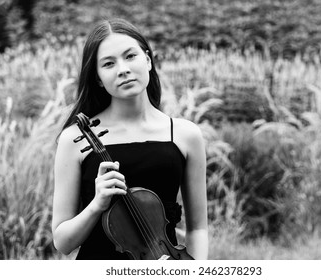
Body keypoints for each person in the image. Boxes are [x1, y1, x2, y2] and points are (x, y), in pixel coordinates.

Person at [52, 18, 208, 260]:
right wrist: (96, 204)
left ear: (147, 60)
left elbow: (198, 228)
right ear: (98, 79)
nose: (122, 69)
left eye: (130, 56)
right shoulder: (74, 139)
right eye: (108, 63)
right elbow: (63, 242)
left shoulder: (185, 135)